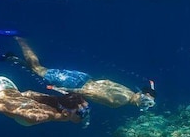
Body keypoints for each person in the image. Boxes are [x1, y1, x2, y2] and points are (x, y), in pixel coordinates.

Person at [13, 36, 156, 110]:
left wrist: (91, 84)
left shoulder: (128, 91)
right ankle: (21, 41)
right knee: (39, 69)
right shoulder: (119, 102)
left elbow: (106, 81)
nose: (144, 104)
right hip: (74, 84)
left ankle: (14, 60)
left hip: (85, 77)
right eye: (146, 102)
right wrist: (64, 89)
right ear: (141, 96)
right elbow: (89, 93)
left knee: (40, 70)